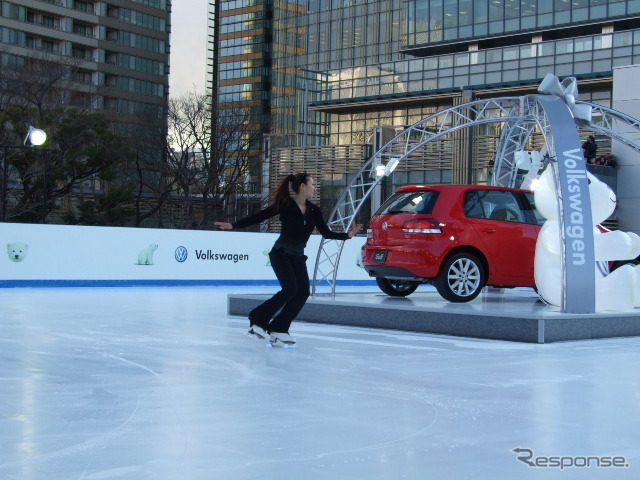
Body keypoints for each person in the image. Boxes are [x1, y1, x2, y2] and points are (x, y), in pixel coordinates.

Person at [214, 172, 362, 347]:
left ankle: (279, 329)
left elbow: (326, 232)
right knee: (290, 289)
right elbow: (261, 216)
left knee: (303, 292)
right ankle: (258, 319)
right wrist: (234, 225)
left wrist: (348, 235)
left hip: (298, 257)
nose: (315, 188)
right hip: (280, 254)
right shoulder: (285, 205)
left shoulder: (314, 210)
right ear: (302, 186)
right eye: (312, 184)